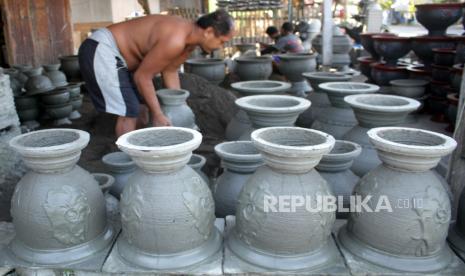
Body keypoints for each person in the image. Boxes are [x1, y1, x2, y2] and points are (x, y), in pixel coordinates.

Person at [78, 10, 235, 137]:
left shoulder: (188, 43)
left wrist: (179, 103)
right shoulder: (176, 39)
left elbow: (170, 70)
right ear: (208, 32)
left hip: (117, 59)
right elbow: (142, 76)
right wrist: (158, 114)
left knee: (142, 109)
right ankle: (128, 164)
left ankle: (138, 149)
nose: (220, 47)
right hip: (101, 49)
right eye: (221, 41)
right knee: (130, 110)